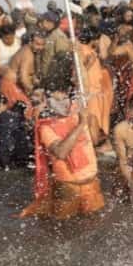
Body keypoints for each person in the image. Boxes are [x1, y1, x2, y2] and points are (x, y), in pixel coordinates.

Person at [20, 63, 105, 219]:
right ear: (47, 98)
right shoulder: (45, 126)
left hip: (92, 183)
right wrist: (81, 125)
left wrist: (91, 119)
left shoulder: (78, 112)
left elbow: (94, 141)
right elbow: (60, 152)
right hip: (68, 188)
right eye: (56, 95)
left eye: (64, 94)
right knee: (65, 231)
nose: (61, 99)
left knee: (95, 225)